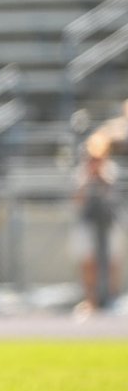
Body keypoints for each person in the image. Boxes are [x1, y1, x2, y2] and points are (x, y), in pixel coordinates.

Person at [72, 133, 122, 311]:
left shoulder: (110, 170)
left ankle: (112, 297)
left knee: (112, 261)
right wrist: (87, 179)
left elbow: (113, 196)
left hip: (108, 221)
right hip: (88, 221)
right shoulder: (81, 173)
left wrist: (100, 176)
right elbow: (77, 201)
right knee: (87, 261)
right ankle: (90, 300)